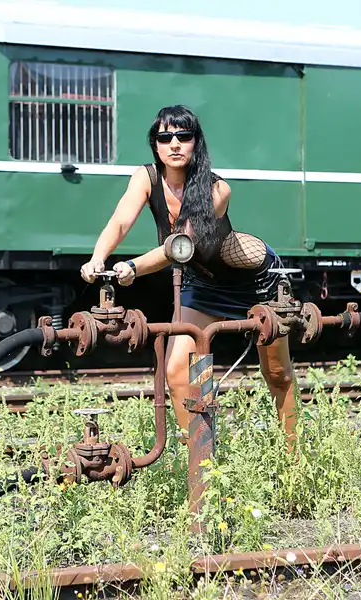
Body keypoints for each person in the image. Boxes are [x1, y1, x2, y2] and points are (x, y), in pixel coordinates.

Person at [80, 105, 298, 448]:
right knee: (178, 371)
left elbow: (180, 246)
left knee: (277, 374)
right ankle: (200, 453)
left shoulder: (217, 190)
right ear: (155, 144)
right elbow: (121, 221)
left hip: (255, 280)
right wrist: (98, 257)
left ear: (197, 142)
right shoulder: (146, 178)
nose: (175, 144)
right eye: (166, 137)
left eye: (184, 136)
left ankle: (293, 456)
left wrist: (134, 267)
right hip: (202, 280)